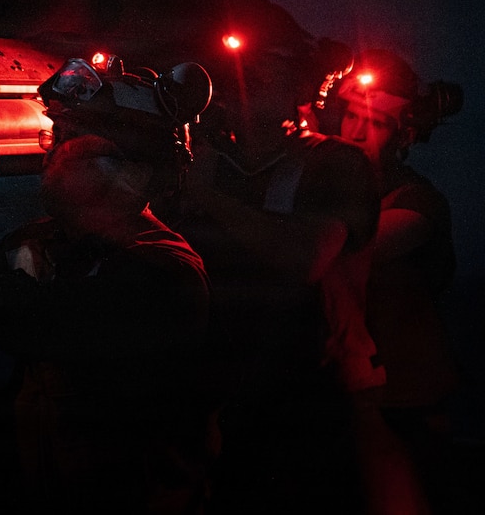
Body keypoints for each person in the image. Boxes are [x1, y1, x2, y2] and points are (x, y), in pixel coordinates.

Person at [0, 56, 222, 514]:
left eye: (71, 141)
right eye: (56, 136)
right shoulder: (44, 242)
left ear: (135, 172)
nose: (52, 152)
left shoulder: (165, 273)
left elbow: (22, 322)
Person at [175, 30, 385, 513]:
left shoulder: (335, 163)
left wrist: (206, 196)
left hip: (310, 397)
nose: (242, 86)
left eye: (264, 75)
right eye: (234, 76)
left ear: (301, 87)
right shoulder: (208, 163)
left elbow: (303, 259)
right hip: (224, 391)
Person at [329, 48, 465, 515]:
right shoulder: (328, 190)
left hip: (406, 400)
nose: (357, 130)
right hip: (345, 393)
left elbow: (348, 249)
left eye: (377, 122)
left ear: (404, 136)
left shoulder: (418, 201)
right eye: (349, 114)